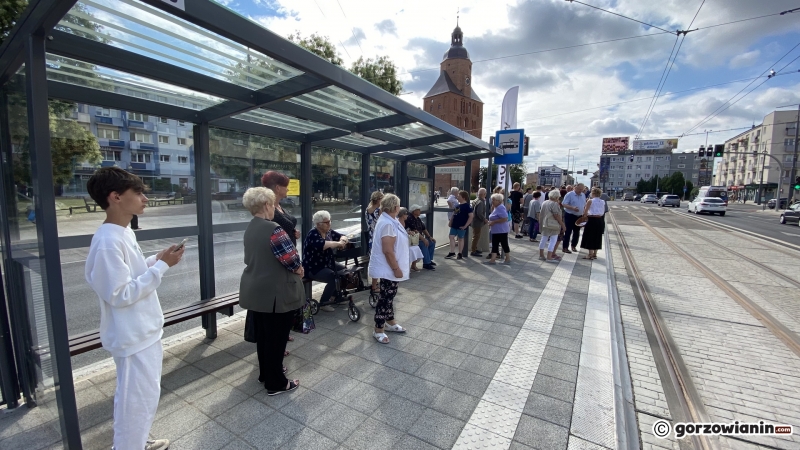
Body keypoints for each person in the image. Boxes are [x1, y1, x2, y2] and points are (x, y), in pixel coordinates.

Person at [84, 167, 184, 450]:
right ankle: (129, 446)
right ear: (115, 196)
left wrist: (156, 260)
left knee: (143, 397)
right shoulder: (108, 241)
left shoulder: (121, 232)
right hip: (132, 336)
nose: (145, 198)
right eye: (137, 192)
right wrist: (162, 266)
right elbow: (120, 293)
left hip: (142, 332)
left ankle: (136, 442)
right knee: (135, 402)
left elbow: (130, 275)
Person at [239, 187, 304, 395]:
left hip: (256, 292)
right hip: (276, 294)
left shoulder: (250, 227)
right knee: (277, 339)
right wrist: (299, 269)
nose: (275, 208)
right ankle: (276, 383)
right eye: (273, 204)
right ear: (267, 205)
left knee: (265, 338)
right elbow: (292, 260)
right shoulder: (274, 229)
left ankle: (266, 373)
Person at [369, 194, 409, 344]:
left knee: (389, 296)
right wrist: (396, 268)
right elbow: (388, 250)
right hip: (389, 268)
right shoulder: (387, 223)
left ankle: (390, 322)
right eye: (399, 205)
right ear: (395, 207)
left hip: (389, 268)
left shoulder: (390, 220)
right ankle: (378, 329)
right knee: (385, 298)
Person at [302, 211, 349, 312]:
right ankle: (323, 302)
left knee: (344, 271)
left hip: (327, 263)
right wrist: (338, 243)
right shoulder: (313, 234)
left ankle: (335, 297)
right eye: (326, 222)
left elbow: (343, 236)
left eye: (330, 221)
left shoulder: (328, 231)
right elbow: (323, 245)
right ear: (318, 224)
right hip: (313, 267)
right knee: (333, 277)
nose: (329, 224)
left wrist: (343, 242)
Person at [262, 171, 300, 246]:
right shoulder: (269, 210)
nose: (287, 189)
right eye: (286, 186)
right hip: (280, 256)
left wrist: (294, 232)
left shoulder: (278, 206)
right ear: (278, 188)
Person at [406, 204, 437, 270]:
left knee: (431, 242)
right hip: (412, 239)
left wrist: (429, 237)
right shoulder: (410, 218)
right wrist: (424, 239)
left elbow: (424, 229)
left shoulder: (418, 219)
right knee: (424, 244)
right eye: (418, 210)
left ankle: (429, 260)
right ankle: (426, 263)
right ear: (414, 211)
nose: (420, 211)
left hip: (419, 238)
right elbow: (415, 230)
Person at [539, 189, 566, 263]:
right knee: (553, 240)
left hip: (544, 223)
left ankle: (541, 255)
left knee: (543, 239)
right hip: (552, 224)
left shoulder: (545, 202)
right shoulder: (554, 204)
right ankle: (549, 257)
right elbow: (556, 215)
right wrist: (562, 224)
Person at [484, 193, 511, 265]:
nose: (492, 201)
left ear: (499, 201)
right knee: (495, 245)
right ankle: (493, 259)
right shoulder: (496, 207)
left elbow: (505, 218)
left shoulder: (501, 207)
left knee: (504, 244)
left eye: (494, 200)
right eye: (492, 200)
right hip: (495, 230)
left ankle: (507, 258)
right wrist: (490, 222)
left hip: (501, 230)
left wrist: (494, 222)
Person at [446, 190, 474, 259]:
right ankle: (452, 252)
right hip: (454, 225)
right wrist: (450, 221)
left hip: (462, 226)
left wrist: (465, 226)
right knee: (451, 236)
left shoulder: (468, 206)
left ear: (463, 197)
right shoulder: (457, 205)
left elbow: (471, 216)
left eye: (459, 196)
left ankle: (460, 253)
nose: (457, 197)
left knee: (460, 239)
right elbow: (454, 214)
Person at [580, 187, 606, 260]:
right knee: (597, 236)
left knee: (590, 236)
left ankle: (590, 254)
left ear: (593, 193)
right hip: (600, 220)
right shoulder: (602, 201)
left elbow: (585, 211)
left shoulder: (590, 201)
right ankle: (595, 254)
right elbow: (603, 211)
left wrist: (584, 217)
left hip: (591, 219)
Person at [366, 191, 383, 293]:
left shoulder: (368, 209)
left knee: (375, 261)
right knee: (378, 261)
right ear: (378, 199)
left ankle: (375, 284)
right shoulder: (378, 210)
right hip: (378, 239)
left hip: (371, 238)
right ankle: (374, 285)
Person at [561, 183, 586, 254]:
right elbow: (564, 204)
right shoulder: (569, 194)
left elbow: (584, 205)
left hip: (579, 216)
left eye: (582, 189)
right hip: (570, 215)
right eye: (579, 189)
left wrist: (584, 213)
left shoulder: (583, 195)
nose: (580, 191)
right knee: (568, 231)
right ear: (575, 188)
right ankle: (565, 247)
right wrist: (572, 208)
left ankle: (573, 246)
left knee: (577, 232)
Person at [397, 207, 424, 272]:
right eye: (406, 214)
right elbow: (398, 233)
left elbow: (405, 231)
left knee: (416, 247)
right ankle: (404, 267)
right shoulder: (397, 222)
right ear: (403, 215)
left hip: (405, 241)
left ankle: (413, 265)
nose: (407, 216)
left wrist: (409, 232)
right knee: (410, 249)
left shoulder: (405, 221)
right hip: (399, 243)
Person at [470, 188, 488, 256]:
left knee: (476, 235)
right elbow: (479, 213)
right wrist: (484, 219)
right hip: (477, 222)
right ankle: (473, 250)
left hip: (474, 221)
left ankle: (475, 248)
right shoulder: (481, 202)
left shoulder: (476, 200)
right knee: (476, 236)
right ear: (484, 194)